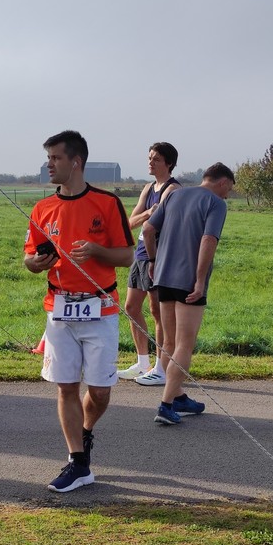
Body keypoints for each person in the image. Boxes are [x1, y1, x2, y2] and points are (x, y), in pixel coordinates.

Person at [24, 130, 134, 492]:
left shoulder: (106, 203)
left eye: (55, 158)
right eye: (48, 158)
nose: (49, 165)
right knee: (66, 387)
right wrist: (36, 263)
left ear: (76, 161)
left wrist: (97, 251)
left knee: (100, 391)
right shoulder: (42, 209)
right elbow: (28, 257)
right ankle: (78, 462)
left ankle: (85, 432)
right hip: (59, 308)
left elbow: (127, 255)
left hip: (100, 309)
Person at [141, 163, 234, 426]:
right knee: (184, 344)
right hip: (188, 281)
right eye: (229, 188)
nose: (228, 194)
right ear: (223, 183)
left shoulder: (173, 194)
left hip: (163, 277)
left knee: (169, 342)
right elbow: (208, 240)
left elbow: (148, 230)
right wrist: (200, 280)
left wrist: (152, 260)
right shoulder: (216, 203)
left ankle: (179, 396)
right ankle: (167, 404)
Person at [118, 142, 181, 385]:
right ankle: (142, 362)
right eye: (150, 158)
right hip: (141, 254)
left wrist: (149, 215)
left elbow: (159, 221)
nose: (150, 162)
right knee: (131, 307)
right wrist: (147, 213)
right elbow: (130, 222)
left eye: (156, 159)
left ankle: (160, 368)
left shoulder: (172, 188)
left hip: (161, 256)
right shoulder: (148, 188)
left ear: (169, 163)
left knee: (158, 312)